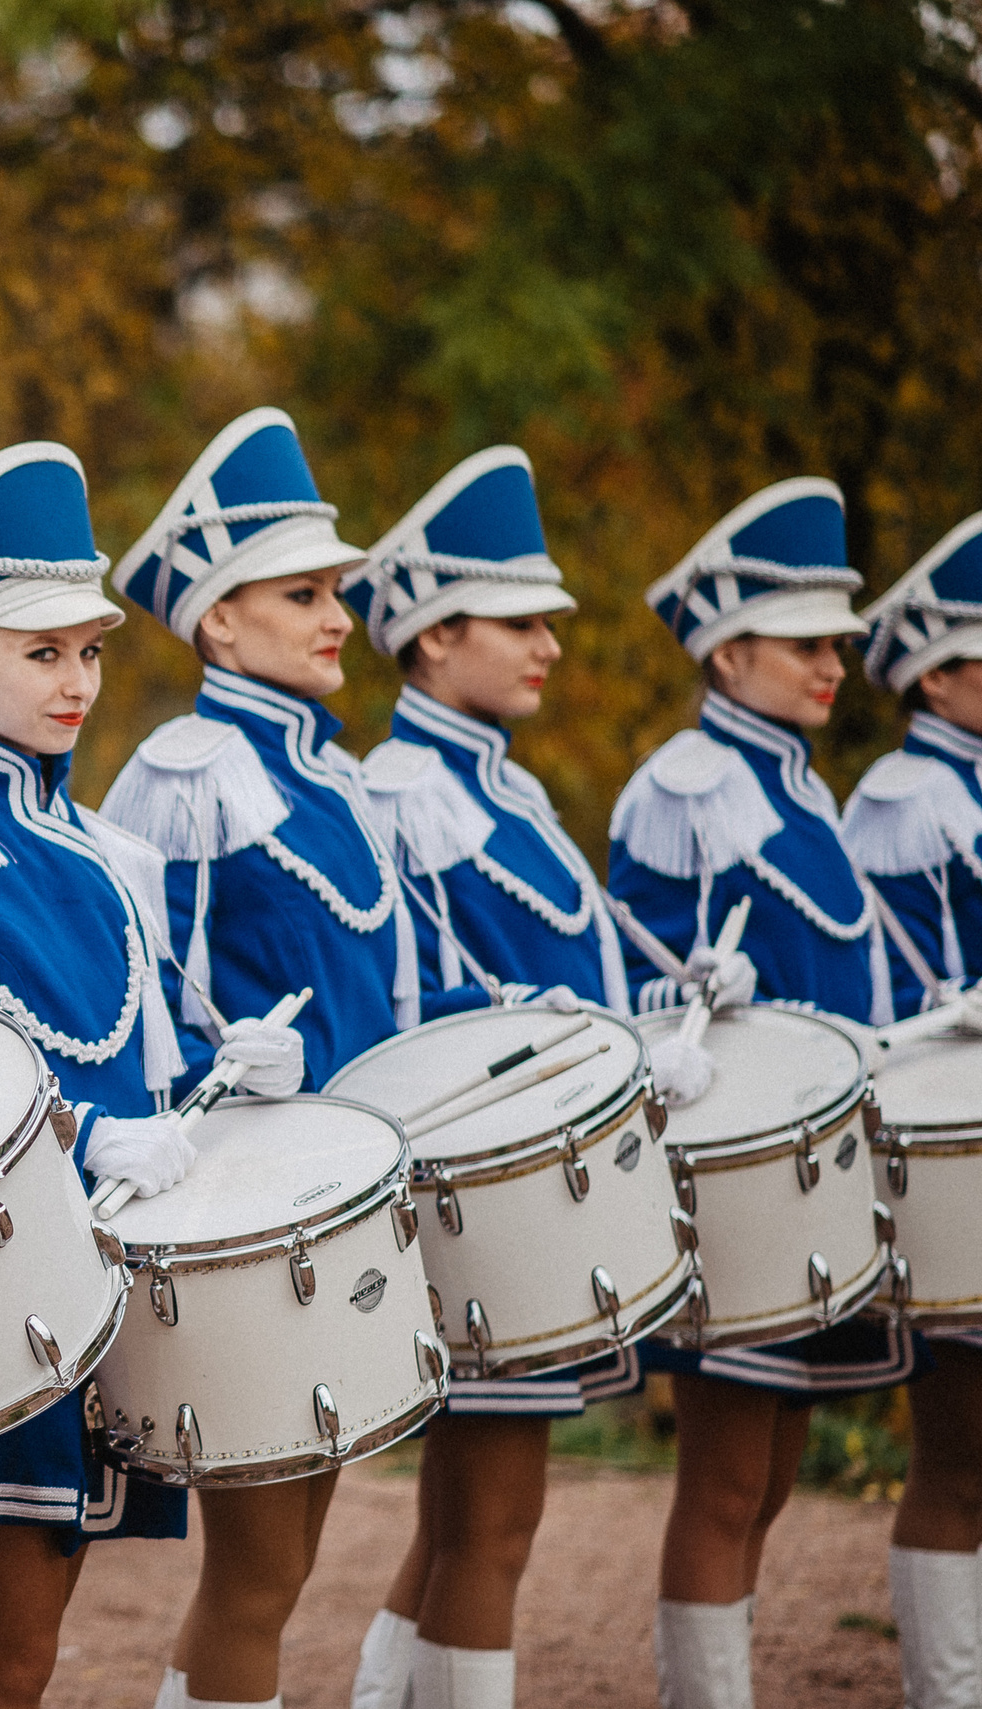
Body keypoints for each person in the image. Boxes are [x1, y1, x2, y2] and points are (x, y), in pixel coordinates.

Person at [0, 441, 300, 1709]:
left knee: (35, 1622)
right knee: (11, 1633)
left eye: (87, 651)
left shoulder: (110, 853)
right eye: (39, 653)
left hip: (108, 1267)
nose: (76, 679)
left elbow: (146, 1059)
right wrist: (83, 1134)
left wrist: (226, 1068)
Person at [100, 408, 483, 1709]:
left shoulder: (332, 779)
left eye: (335, 590)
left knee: (293, 1559)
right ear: (219, 622)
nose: (340, 613)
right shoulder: (188, 769)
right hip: (248, 1217)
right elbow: (141, 982)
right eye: (304, 593)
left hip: (339, 1202)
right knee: (258, 1573)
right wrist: (220, 1058)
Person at [336, 447, 635, 1709]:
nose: (550, 647)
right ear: (431, 633)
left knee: (467, 1528)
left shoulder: (496, 785)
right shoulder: (405, 786)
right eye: (519, 622)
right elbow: (420, 1005)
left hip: (526, 1184)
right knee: (492, 1526)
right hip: (477, 1185)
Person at [610, 476, 912, 1709]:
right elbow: (641, 990)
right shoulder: (687, 784)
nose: (832, 664)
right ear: (729, 650)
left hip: (816, 1171)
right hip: (736, 1179)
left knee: (775, 1472)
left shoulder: (794, 785)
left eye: (837, 642)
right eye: (803, 643)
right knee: (728, 1480)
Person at [845, 511, 982, 1709]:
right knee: (961, 1452)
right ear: (937, 672)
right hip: (957, 1160)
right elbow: (913, 1000)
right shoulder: (905, 795)